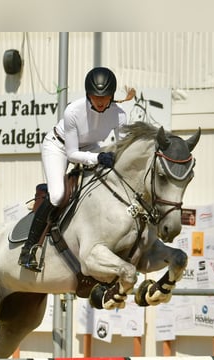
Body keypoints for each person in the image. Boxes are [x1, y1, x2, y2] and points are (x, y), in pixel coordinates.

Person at [18, 67, 134, 272]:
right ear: (88, 95)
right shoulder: (73, 111)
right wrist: (99, 157)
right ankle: (28, 249)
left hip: (89, 146)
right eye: (95, 96)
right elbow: (72, 154)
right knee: (57, 196)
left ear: (112, 96)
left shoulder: (120, 115)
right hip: (59, 146)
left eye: (105, 97)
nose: (99, 101)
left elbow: (123, 149)